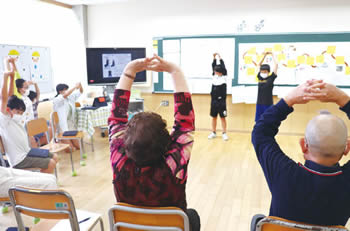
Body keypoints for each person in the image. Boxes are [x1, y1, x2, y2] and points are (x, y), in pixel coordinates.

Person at [109, 54, 200, 231]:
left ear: (125, 141)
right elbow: (185, 123)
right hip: (169, 227)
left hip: (132, 227)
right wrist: (175, 72)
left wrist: (129, 71)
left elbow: (115, 119)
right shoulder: (173, 165)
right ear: (167, 142)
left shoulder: (119, 161)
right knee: (192, 216)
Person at [252, 79, 350, 226]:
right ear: (347, 148)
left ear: (304, 145)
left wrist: (289, 100)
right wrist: (342, 98)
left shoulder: (284, 174)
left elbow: (260, 133)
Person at [0, 57, 58, 173]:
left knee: (54, 157)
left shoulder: (15, 113)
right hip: (18, 160)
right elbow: (4, 97)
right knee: (50, 163)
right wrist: (6, 77)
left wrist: (11, 75)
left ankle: (42, 182)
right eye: (18, 112)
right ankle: (41, 185)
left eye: (21, 112)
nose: (20, 114)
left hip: (27, 151)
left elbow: (10, 94)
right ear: (8, 109)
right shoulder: (5, 118)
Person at [52, 82, 83, 150]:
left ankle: (65, 141)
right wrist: (75, 87)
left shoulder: (70, 97)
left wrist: (80, 86)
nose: (67, 91)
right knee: (71, 149)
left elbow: (81, 92)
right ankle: (60, 141)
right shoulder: (57, 99)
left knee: (78, 147)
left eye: (67, 89)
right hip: (62, 127)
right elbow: (65, 95)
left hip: (71, 124)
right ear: (60, 91)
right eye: (65, 89)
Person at [208, 53, 229, 141]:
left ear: (221, 72)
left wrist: (220, 58)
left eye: (217, 71)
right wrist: (214, 58)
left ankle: (224, 133)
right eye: (215, 71)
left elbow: (223, 67)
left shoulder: (224, 77)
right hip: (214, 101)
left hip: (222, 102)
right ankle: (213, 132)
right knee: (214, 117)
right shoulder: (214, 76)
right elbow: (213, 66)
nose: (215, 72)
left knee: (222, 117)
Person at [255, 52, 278, 121]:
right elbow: (259, 64)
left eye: (265, 71)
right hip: (259, 103)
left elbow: (276, 64)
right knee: (258, 121)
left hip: (268, 104)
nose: (263, 73)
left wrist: (272, 54)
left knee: (268, 120)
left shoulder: (271, 78)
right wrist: (264, 55)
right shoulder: (259, 77)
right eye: (262, 71)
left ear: (268, 72)